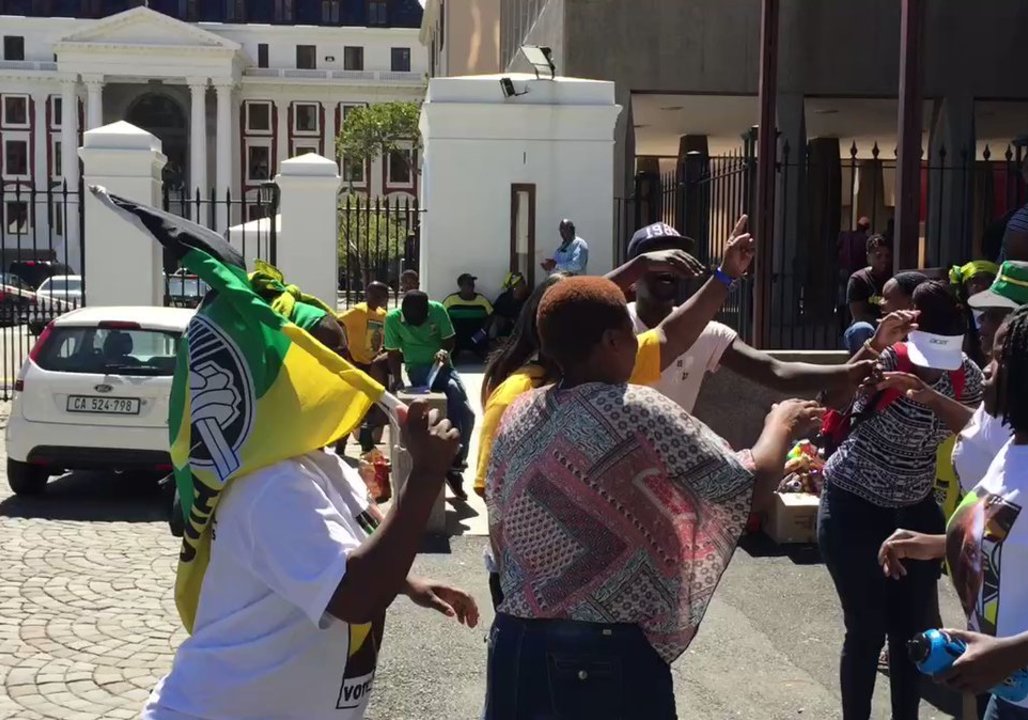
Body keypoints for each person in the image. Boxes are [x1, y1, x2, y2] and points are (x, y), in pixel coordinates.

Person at [483, 276, 824, 719]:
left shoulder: (520, 411)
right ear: (612, 341)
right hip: (603, 652)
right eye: (631, 334)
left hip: (515, 641)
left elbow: (498, 521)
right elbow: (747, 485)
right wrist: (781, 423)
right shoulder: (636, 409)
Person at [820, 281, 985, 720]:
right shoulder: (887, 357)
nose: (932, 367)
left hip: (915, 506)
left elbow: (979, 431)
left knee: (911, 633)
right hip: (853, 503)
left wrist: (930, 394)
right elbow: (830, 400)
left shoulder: (966, 376)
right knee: (866, 629)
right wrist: (874, 346)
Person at [878, 305, 1028, 720]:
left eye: (1001, 359)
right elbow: (1008, 530)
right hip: (1009, 693)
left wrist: (1012, 651)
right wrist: (936, 544)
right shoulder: (1014, 448)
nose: (988, 369)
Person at [626, 221, 875, 413]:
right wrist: (724, 275)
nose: (668, 263)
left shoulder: (708, 333)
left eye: (675, 256)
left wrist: (849, 373)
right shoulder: (615, 325)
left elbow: (776, 371)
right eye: (657, 258)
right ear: (633, 275)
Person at [384, 290, 474, 499]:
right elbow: (393, 353)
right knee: (441, 407)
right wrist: (397, 379)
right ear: (403, 311)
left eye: (421, 318)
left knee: (466, 412)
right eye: (412, 320)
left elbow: (449, 339)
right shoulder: (392, 319)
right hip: (417, 369)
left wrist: (444, 351)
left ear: (427, 310)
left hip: (442, 367)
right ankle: (447, 460)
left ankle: (456, 462)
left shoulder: (438, 310)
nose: (418, 324)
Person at [338, 281, 391, 452]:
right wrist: (345, 349)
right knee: (351, 405)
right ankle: (341, 446)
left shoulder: (383, 315)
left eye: (381, 296)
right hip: (355, 363)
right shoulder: (358, 311)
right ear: (367, 294)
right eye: (374, 295)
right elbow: (338, 323)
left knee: (370, 407)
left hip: (373, 365)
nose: (377, 299)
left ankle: (366, 443)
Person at [844, 234, 894, 354]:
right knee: (861, 329)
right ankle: (863, 364)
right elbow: (858, 316)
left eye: (887, 256)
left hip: (891, 329)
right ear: (868, 257)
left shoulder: (895, 277)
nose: (884, 260)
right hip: (868, 330)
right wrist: (883, 325)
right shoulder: (858, 279)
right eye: (878, 256)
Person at [442, 273, 494, 361]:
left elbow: (492, 316)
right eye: (469, 284)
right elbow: (442, 315)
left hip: (476, 335)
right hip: (457, 336)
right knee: (449, 355)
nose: (472, 286)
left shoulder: (481, 300)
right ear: (461, 286)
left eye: (472, 284)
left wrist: (483, 331)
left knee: (487, 356)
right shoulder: (451, 300)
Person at [491, 272, 530, 340]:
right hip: (505, 337)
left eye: (524, 283)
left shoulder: (530, 298)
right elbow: (494, 319)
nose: (525, 286)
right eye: (522, 283)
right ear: (513, 287)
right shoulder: (503, 300)